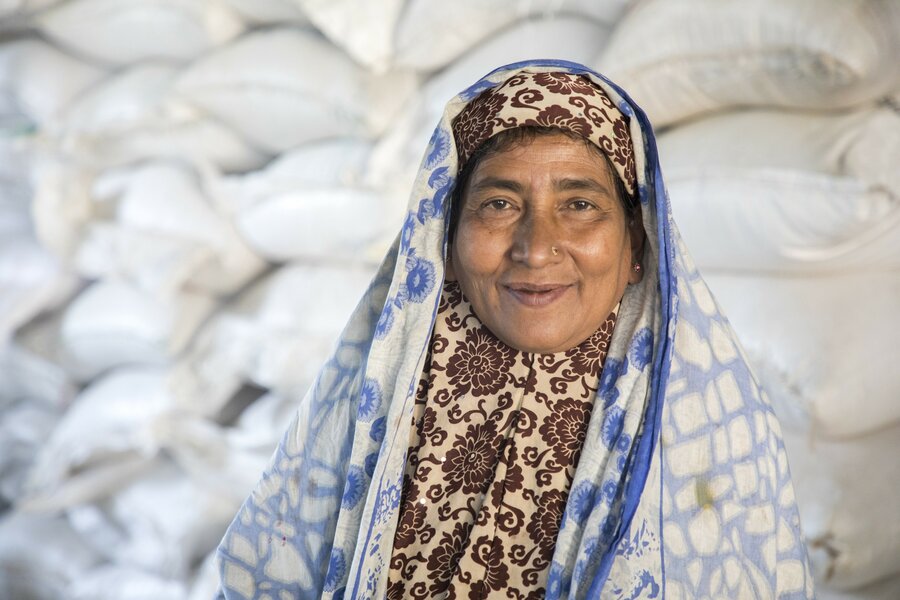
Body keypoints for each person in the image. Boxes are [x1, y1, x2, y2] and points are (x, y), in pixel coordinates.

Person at [215, 61, 814, 599]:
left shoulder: (706, 435)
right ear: (444, 243)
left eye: (579, 205)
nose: (535, 249)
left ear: (637, 244)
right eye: (498, 205)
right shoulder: (371, 409)